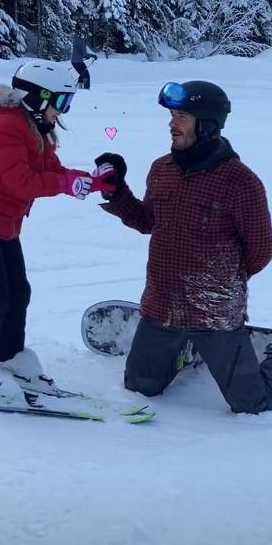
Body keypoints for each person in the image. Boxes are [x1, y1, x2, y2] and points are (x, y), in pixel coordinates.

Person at [95, 80, 272, 414]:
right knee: (140, 388)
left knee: (251, 404)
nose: (172, 123)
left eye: (182, 116)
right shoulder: (162, 169)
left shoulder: (241, 182)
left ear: (206, 125)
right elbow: (148, 221)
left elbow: (260, 249)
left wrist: (221, 280)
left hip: (215, 312)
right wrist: (116, 193)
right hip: (161, 306)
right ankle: (187, 351)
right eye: (173, 115)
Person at [0, 59, 115, 396]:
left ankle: (8, 357)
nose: (62, 112)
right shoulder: (5, 126)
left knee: (17, 292)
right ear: (38, 97)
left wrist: (95, 182)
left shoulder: (35, 130)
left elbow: (55, 171)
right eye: (61, 103)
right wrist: (66, 184)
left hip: (0, 225)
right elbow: (21, 182)